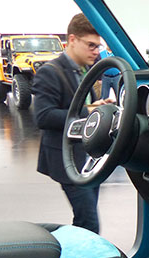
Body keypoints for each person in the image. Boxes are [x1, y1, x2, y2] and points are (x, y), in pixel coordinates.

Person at [32, 13, 114, 233]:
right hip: (65, 158)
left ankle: (75, 255)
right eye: (91, 45)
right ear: (72, 40)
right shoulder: (50, 72)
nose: (96, 52)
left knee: (84, 219)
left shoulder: (82, 70)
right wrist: (90, 112)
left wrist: (97, 104)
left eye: (98, 46)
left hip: (86, 158)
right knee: (90, 222)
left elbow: (76, 105)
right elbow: (44, 116)